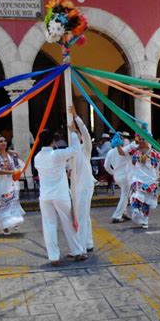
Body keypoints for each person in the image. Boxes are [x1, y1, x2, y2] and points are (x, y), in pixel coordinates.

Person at [34, 128, 85, 266]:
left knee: (49, 225)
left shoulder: (37, 157)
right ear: (53, 141)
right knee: (68, 222)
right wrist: (74, 134)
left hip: (45, 196)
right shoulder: (56, 154)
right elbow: (75, 149)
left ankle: (54, 257)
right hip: (60, 194)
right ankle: (77, 251)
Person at [117, 133, 160, 229]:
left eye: (144, 139)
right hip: (137, 178)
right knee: (136, 194)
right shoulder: (134, 151)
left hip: (151, 179)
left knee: (146, 201)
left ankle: (145, 220)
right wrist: (118, 144)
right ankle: (135, 209)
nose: (142, 141)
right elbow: (122, 152)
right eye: (140, 139)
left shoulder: (155, 153)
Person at [69, 106, 95, 255]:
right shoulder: (71, 152)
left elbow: (85, 132)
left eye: (76, 134)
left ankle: (81, 248)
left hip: (85, 185)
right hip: (77, 187)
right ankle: (88, 242)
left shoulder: (85, 149)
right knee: (84, 215)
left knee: (81, 215)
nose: (74, 135)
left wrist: (76, 116)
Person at [0, 135, 25, 235]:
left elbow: (19, 166)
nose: (4, 143)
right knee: (2, 205)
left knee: (13, 202)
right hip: (0, 185)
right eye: (1, 141)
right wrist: (12, 172)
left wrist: (16, 154)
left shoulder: (11, 156)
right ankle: (4, 226)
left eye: (5, 141)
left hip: (11, 183)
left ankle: (12, 222)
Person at [104, 138, 131, 224]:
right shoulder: (125, 151)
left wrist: (112, 173)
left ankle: (124, 213)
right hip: (125, 176)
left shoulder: (110, 152)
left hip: (117, 176)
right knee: (125, 195)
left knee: (124, 195)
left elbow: (106, 166)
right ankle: (117, 216)